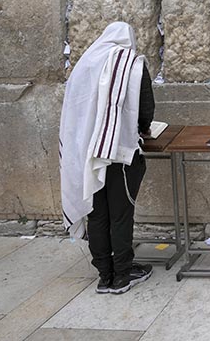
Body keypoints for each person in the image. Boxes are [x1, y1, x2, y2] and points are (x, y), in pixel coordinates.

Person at [59, 22, 155, 294]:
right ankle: (123, 275)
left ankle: (105, 275)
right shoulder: (132, 65)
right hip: (120, 152)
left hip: (87, 153)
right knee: (121, 214)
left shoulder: (85, 65)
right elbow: (145, 109)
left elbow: (74, 109)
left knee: (97, 214)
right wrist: (141, 128)